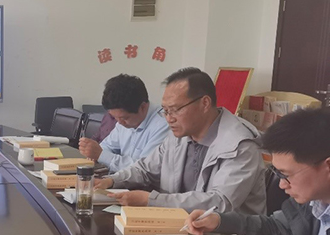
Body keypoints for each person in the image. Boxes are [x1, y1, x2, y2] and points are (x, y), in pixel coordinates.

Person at [187, 108, 330, 235]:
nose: (282, 184)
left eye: (286, 175)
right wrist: (221, 222)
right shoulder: (312, 200)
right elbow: (278, 228)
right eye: (278, 174)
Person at [96, 67, 266, 214]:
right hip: (180, 226)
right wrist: (111, 181)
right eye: (165, 111)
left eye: (175, 110)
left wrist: (152, 200)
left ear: (205, 103)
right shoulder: (179, 136)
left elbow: (220, 202)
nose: (169, 118)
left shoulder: (240, 145)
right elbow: (145, 169)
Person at [79, 74, 169, 172]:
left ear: (143, 107)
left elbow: (144, 170)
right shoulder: (123, 122)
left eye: (124, 118)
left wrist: (101, 155)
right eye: (114, 117)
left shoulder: (163, 125)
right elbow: (107, 146)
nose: (119, 122)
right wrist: (94, 154)